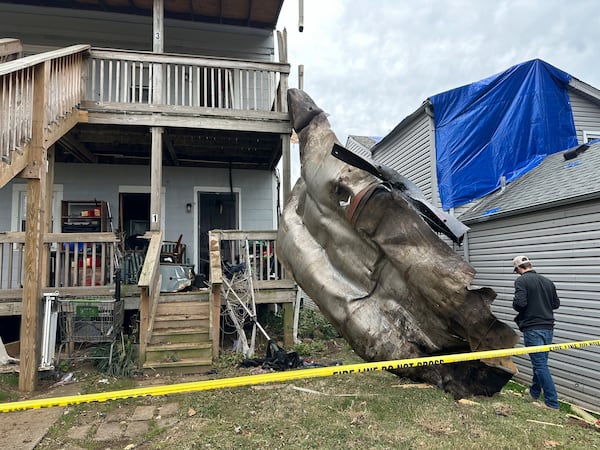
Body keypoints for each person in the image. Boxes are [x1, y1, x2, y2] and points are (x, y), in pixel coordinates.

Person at [512, 255, 561, 410]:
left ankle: (552, 403)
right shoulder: (548, 282)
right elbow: (556, 304)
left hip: (533, 328)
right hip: (548, 327)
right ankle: (534, 392)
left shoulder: (521, 281)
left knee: (540, 365)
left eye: (516, 270)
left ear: (519, 268)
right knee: (541, 363)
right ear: (530, 265)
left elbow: (520, 304)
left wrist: (516, 303)